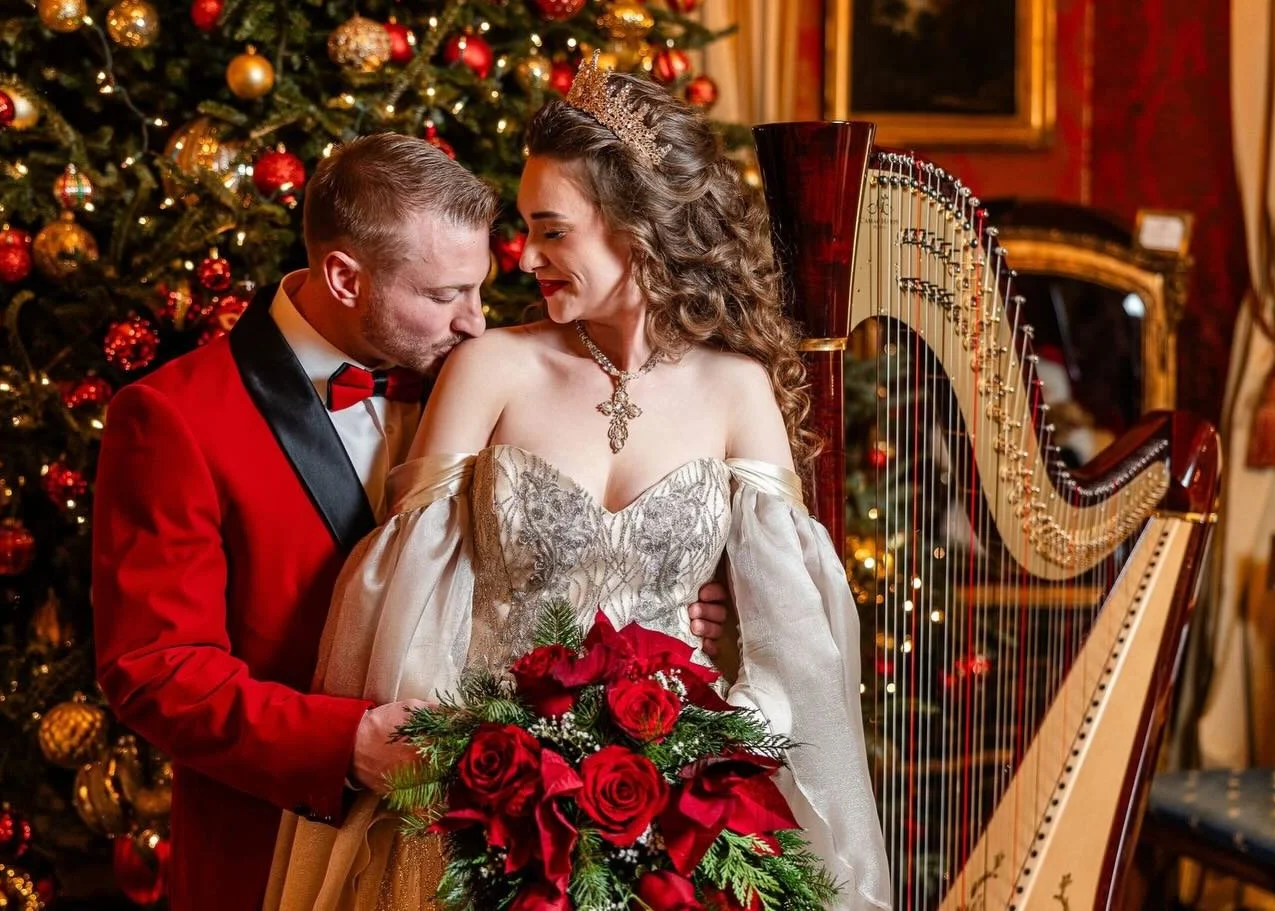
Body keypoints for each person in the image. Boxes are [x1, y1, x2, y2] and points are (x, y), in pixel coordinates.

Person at [265, 57, 892, 911]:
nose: (525, 259)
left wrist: (704, 749)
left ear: (634, 225)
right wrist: (487, 778)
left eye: (551, 231)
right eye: (525, 229)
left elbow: (797, 645)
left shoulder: (735, 388)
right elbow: (405, 607)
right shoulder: (489, 369)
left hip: (683, 828)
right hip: (486, 816)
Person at [90, 131, 733, 910]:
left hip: (486, 856)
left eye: (481, 287)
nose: (475, 321)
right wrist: (348, 745)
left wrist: (678, 596)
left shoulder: (498, 375)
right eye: (442, 296)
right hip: (266, 855)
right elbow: (156, 669)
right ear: (343, 275)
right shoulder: (174, 417)